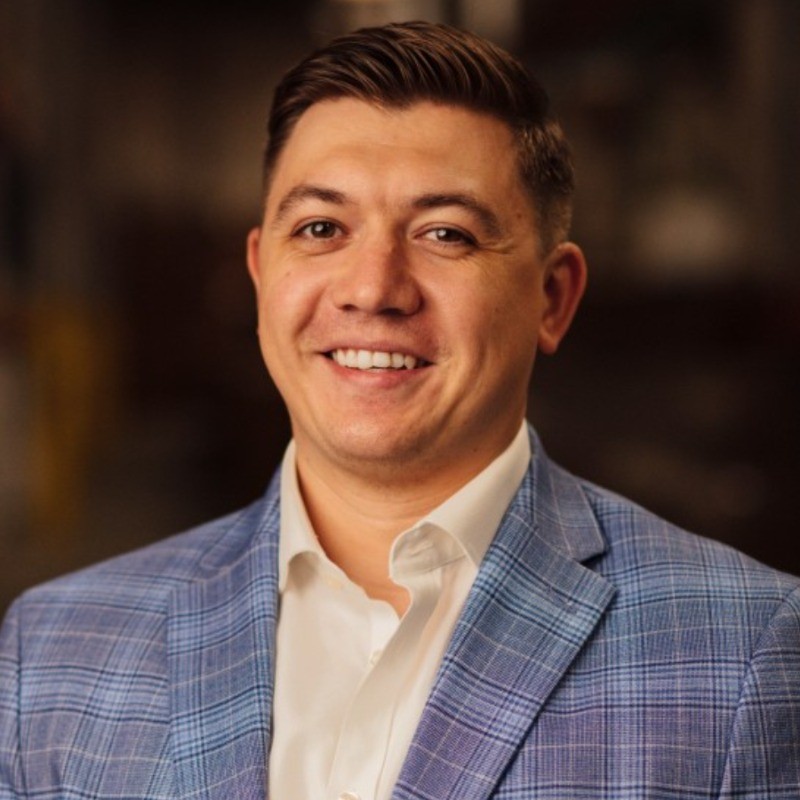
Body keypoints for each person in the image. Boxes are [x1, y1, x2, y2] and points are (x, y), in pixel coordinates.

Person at [1, 20, 799, 800]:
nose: (373, 287)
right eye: (321, 228)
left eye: (445, 234)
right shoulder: (55, 649)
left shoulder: (745, 649)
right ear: (260, 273)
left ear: (552, 298)